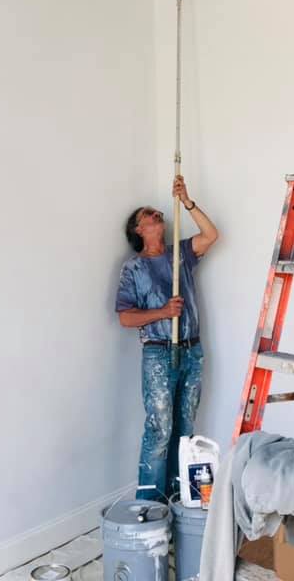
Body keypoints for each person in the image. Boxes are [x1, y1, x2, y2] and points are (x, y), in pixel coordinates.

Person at [115, 175, 219, 500]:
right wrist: (163, 312)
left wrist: (187, 200)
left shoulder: (181, 255)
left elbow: (211, 235)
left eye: (157, 213)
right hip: (159, 354)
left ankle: (181, 500)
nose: (155, 215)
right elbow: (125, 317)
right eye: (147, 215)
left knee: (185, 430)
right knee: (160, 430)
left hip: (191, 351)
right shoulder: (133, 268)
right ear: (138, 229)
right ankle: (149, 508)